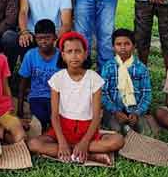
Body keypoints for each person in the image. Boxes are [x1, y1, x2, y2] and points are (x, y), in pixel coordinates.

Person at [27, 32, 124, 164]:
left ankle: (76, 150)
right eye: (69, 51)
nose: (74, 56)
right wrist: (61, 142)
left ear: (85, 54)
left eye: (78, 51)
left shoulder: (94, 78)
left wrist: (84, 142)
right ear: (63, 55)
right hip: (63, 129)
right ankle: (89, 155)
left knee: (118, 140)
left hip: (87, 130)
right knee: (33, 144)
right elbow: (54, 115)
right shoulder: (58, 78)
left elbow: (96, 117)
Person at [98, 29, 152, 135]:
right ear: (113, 47)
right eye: (118, 44)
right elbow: (103, 93)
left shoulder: (141, 68)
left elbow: (146, 95)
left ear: (134, 46)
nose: (122, 47)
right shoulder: (108, 66)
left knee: (144, 131)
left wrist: (137, 113)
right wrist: (115, 111)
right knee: (117, 130)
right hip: (113, 110)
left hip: (134, 110)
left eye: (127, 44)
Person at [17, 19, 60, 130]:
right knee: (41, 117)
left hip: (57, 97)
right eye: (40, 38)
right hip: (37, 96)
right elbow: (22, 83)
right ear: (35, 38)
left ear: (55, 37)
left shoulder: (61, 56)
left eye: (47, 38)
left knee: (54, 117)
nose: (43, 42)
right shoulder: (30, 55)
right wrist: (20, 110)